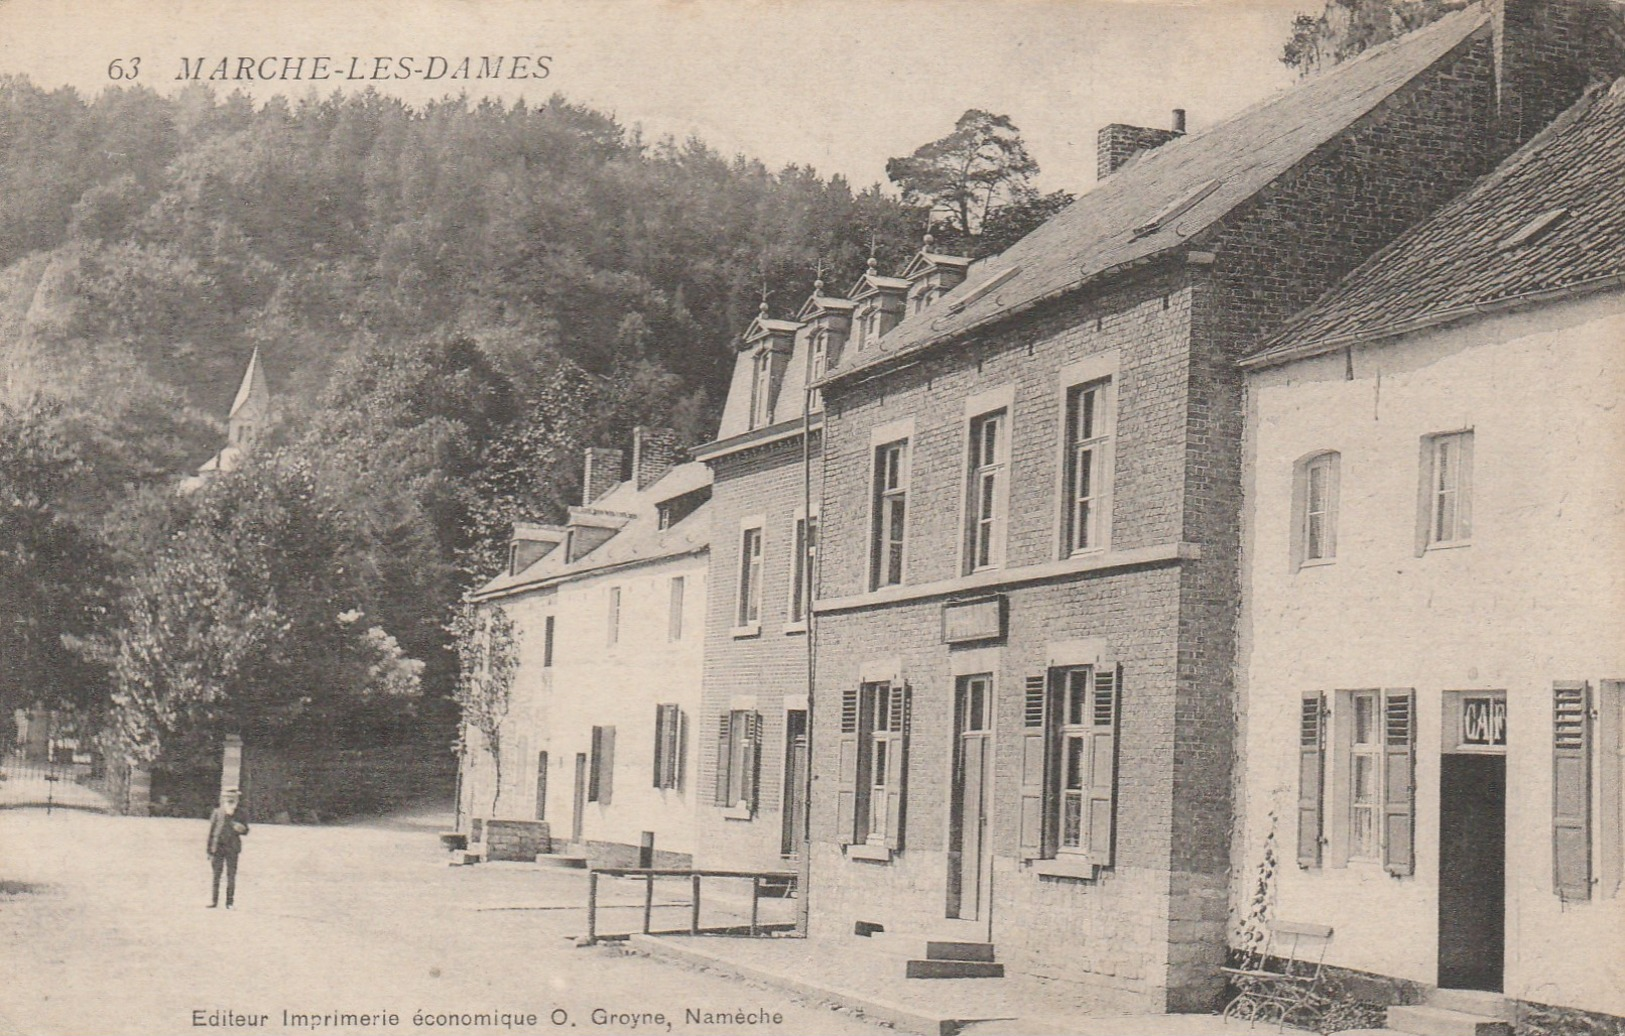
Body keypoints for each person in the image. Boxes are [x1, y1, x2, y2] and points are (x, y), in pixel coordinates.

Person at [206, 787, 249, 908]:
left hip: (232, 848)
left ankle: (229, 902)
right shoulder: (217, 812)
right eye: (228, 798)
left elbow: (246, 830)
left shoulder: (241, 813)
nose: (230, 800)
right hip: (217, 848)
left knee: (231, 875)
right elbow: (211, 832)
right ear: (223, 798)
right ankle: (214, 901)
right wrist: (209, 850)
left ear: (237, 799)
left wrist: (242, 829)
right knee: (216, 875)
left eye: (233, 798)